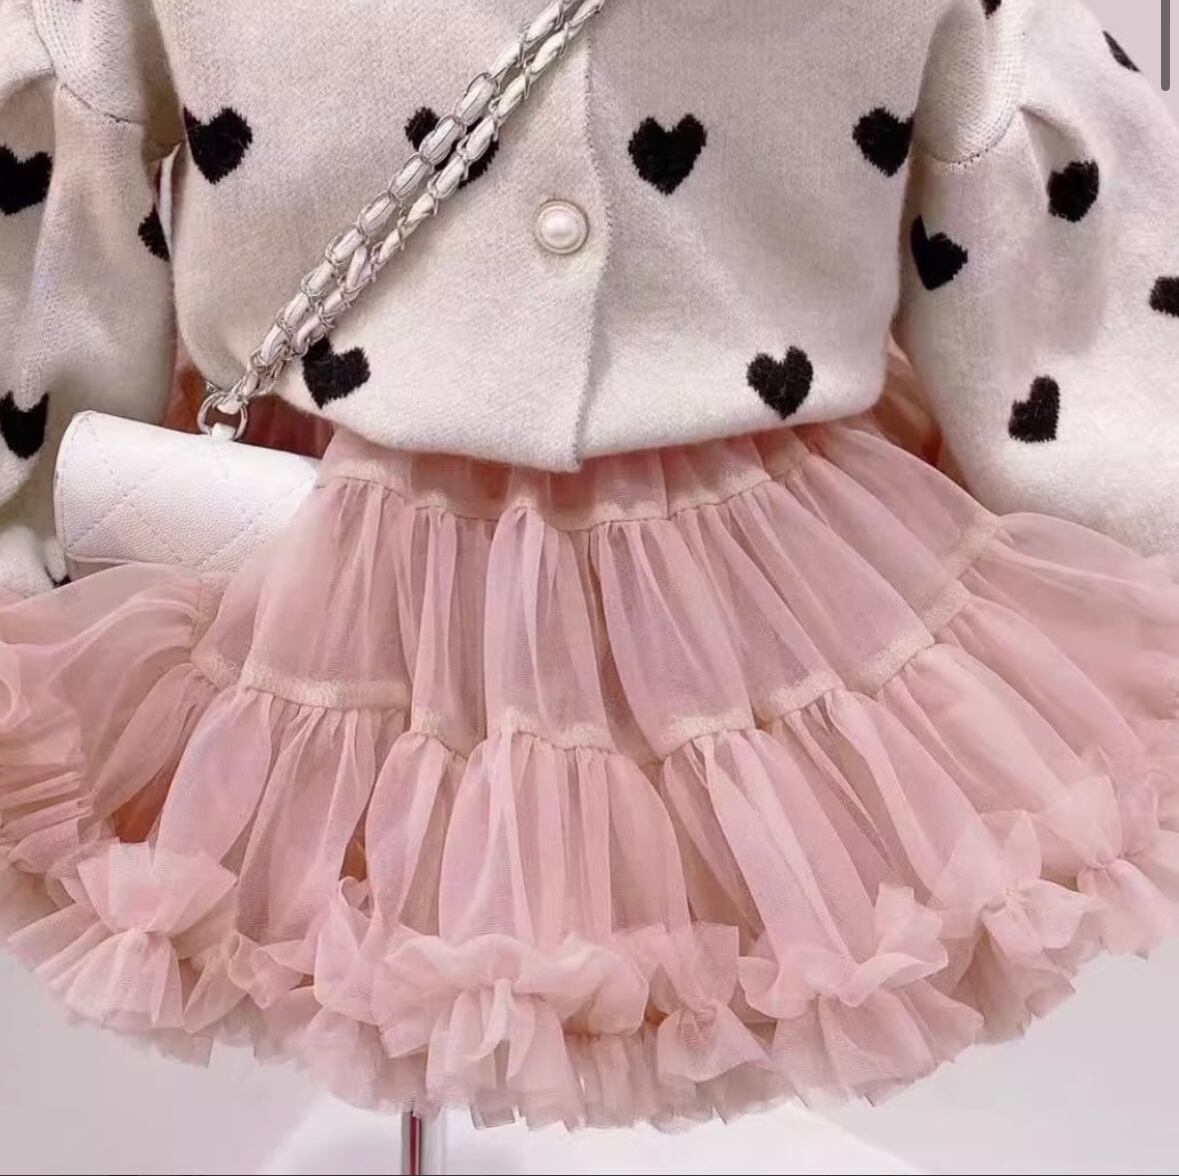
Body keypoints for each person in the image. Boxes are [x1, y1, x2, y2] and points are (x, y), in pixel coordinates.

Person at [1, 0, 1178, 1131]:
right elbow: (69, 151)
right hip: (318, 548)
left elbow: (1027, 197)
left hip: (762, 590)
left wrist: (38, 513)